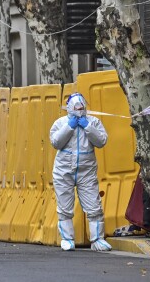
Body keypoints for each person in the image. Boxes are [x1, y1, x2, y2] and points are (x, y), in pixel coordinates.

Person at [49, 92, 113, 251]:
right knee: (64, 206)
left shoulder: (93, 122)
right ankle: (67, 238)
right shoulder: (60, 123)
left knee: (93, 205)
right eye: (76, 107)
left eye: (81, 107)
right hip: (64, 171)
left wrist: (88, 127)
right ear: (69, 108)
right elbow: (56, 142)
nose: (79, 110)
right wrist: (69, 127)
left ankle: (97, 239)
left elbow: (101, 141)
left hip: (86, 171)